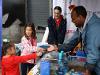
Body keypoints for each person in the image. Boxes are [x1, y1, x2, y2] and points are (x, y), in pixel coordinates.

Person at [48, 6, 100, 75]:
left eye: (73, 19)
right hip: (94, 65)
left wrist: (88, 71)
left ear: (80, 17)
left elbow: (93, 54)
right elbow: (72, 42)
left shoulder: (94, 28)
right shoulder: (82, 25)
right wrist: (57, 47)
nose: (72, 21)